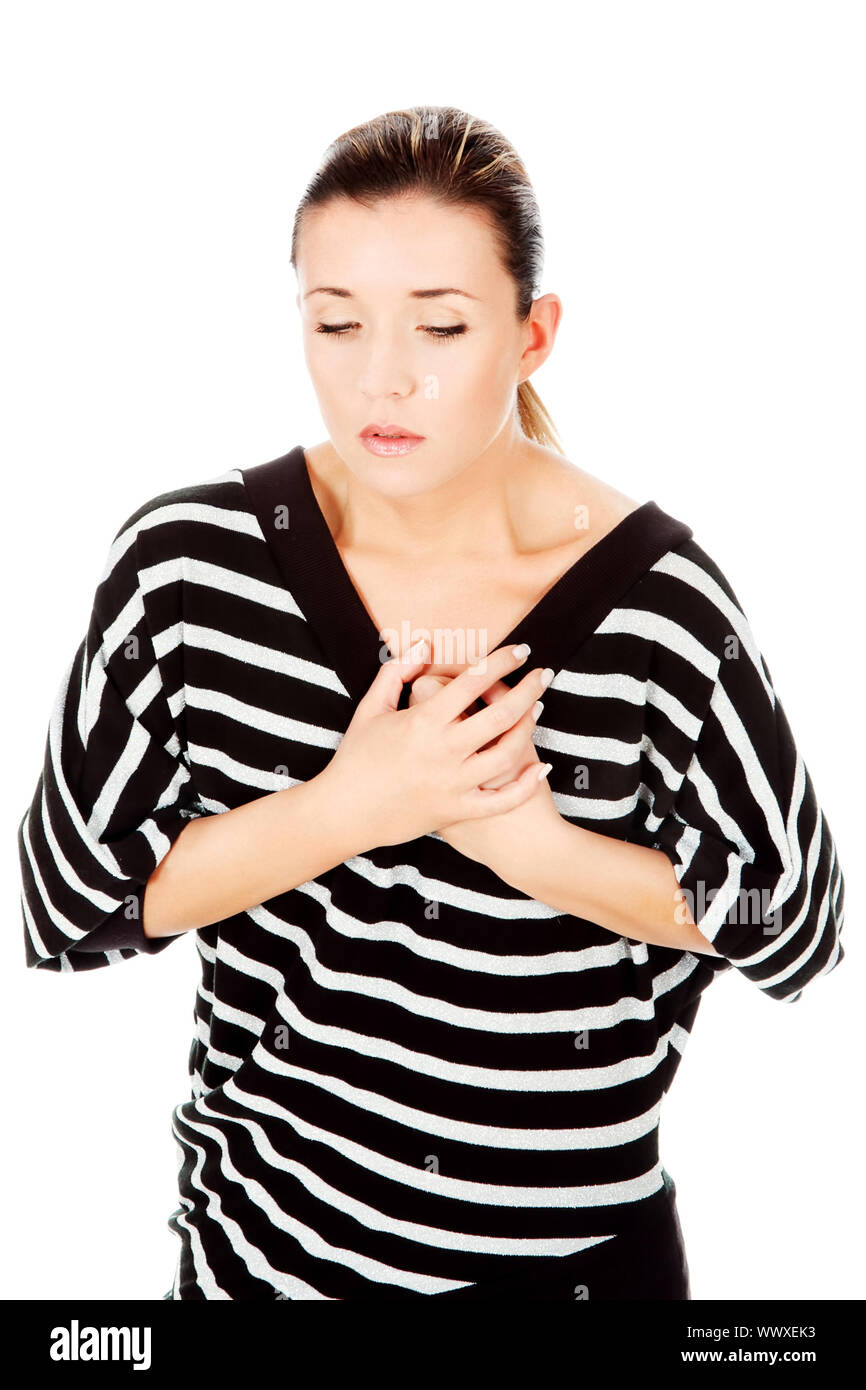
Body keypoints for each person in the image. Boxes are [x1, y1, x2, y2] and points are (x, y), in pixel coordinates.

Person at [17, 105, 845, 1301]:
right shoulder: (186, 569)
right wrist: (354, 804)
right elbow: (64, 905)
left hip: (576, 1277)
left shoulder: (656, 603)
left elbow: (793, 917)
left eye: (442, 327)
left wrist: (530, 845)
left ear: (531, 336)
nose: (381, 378)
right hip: (263, 1268)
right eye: (335, 323)